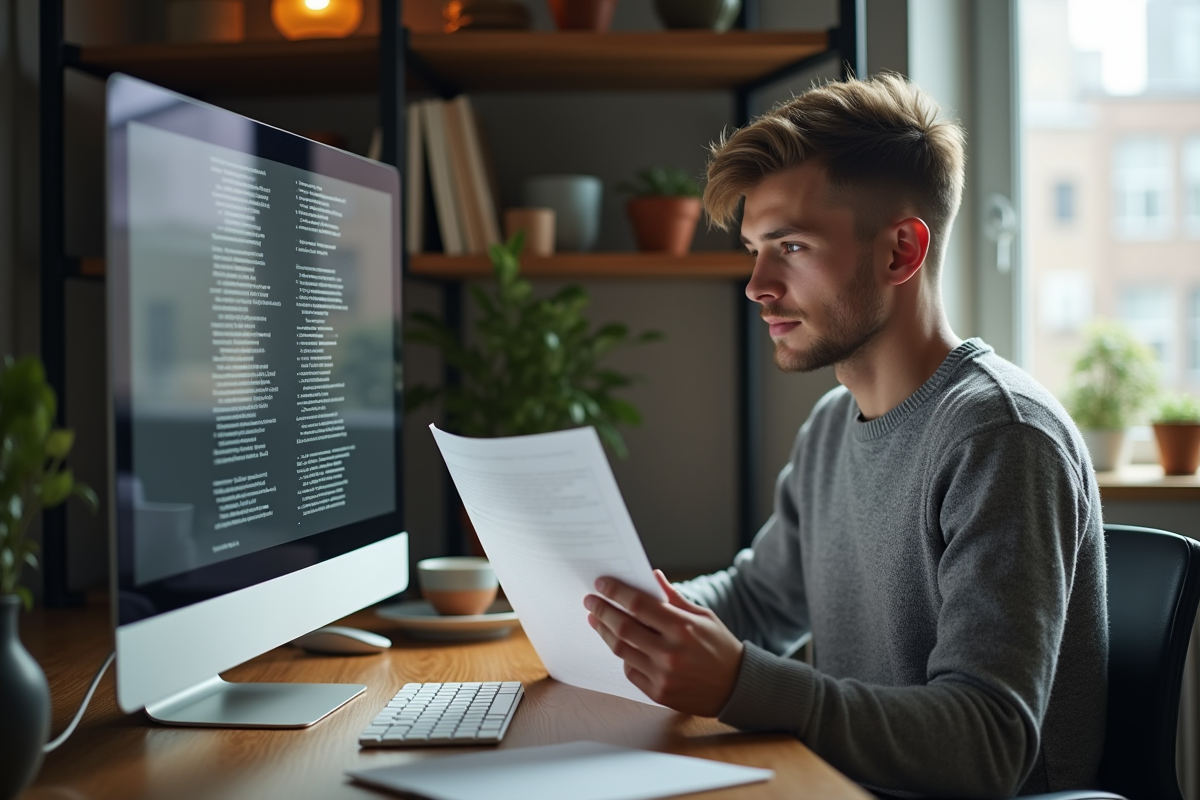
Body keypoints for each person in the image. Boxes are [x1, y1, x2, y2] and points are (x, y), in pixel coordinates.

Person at [583, 74, 1106, 799]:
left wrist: (740, 681)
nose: (757, 285)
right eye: (754, 249)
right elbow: (759, 601)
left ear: (899, 252)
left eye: (791, 246)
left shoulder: (1002, 437)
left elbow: (988, 745)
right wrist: (623, 614)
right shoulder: (833, 425)